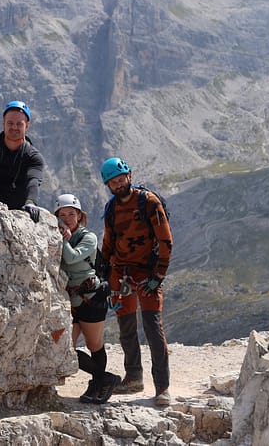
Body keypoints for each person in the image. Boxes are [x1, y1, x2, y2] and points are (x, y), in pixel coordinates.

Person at [99, 157, 174, 406]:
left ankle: (162, 387)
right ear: (108, 185)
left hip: (147, 274)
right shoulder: (111, 209)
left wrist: (158, 276)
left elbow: (165, 241)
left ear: (129, 176)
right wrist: (105, 275)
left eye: (121, 179)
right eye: (113, 182)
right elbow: (108, 243)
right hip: (121, 274)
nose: (119, 184)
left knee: (153, 328)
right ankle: (133, 378)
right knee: (127, 328)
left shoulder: (148, 202)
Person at [55, 193, 120, 403]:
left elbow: (72, 258)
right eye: (62, 215)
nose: (67, 218)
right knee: (66, 348)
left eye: (71, 214)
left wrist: (63, 237)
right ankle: (104, 379)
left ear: (80, 215)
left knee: (94, 345)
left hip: (92, 298)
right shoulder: (57, 235)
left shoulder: (88, 237)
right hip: (72, 300)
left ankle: (97, 384)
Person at [0, 100, 47, 222]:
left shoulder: (34, 157)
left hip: (19, 213)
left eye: (19, 124)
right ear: (3, 123)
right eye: (10, 123)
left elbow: (33, 181)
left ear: (27, 125)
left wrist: (31, 202)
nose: (14, 127)